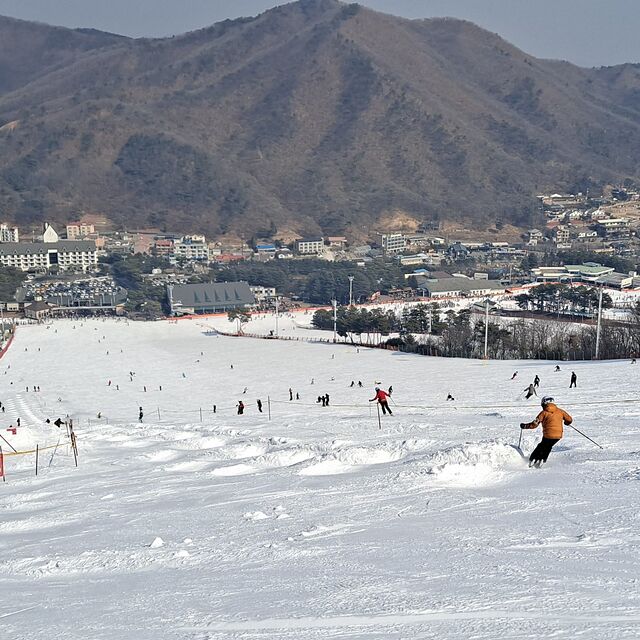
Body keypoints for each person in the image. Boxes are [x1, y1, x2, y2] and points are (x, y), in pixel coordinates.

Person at [520, 396, 572, 468]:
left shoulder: (543, 413)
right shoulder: (560, 411)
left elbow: (534, 424)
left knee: (541, 446)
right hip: (558, 435)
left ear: (543, 404)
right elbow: (569, 419)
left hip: (548, 435)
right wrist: (567, 422)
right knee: (548, 446)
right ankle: (542, 460)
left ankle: (532, 460)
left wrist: (525, 426)